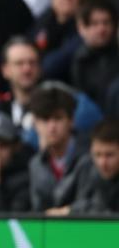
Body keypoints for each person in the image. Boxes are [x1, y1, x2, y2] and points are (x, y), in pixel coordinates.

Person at [28, 84, 89, 212]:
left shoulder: (89, 158)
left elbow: (94, 204)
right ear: (35, 124)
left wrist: (69, 211)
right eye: (45, 119)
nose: (52, 127)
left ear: (71, 120)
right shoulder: (36, 164)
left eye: (58, 118)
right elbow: (37, 210)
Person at [47, 120, 119, 215]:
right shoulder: (85, 166)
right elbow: (60, 197)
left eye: (110, 155)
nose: (102, 163)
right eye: (97, 154)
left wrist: (72, 210)